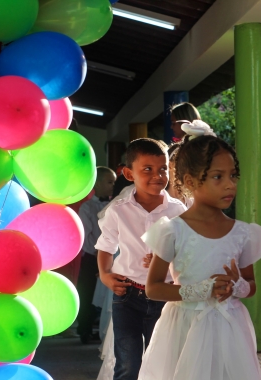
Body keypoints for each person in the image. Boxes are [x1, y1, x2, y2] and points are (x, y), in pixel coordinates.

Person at [137, 121, 261, 380]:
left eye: (233, 175)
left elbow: (251, 284)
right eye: (217, 176)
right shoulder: (172, 230)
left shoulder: (243, 232)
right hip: (184, 327)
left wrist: (237, 286)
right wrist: (201, 290)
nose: (230, 184)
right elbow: (153, 288)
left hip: (229, 328)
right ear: (190, 181)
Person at [95, 138, 187, 380]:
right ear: (128, 173)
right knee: (127, 364)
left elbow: (188, 251)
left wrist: (165, 258)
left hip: (166, 297)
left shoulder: (178, 212)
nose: (157, 175)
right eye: (147, 169)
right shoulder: (119, 210)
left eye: (163, 169)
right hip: (128, 296)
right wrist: (105, 275)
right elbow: (105, 246)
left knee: (163, 363)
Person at [76, 166, 117, 344]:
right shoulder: (87, 207)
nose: (112, 186)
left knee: (103, 293)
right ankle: (84, 329)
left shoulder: (113, 205)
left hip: (109, 254)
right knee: (88, 292)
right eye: (109, 182)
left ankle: (100, 327)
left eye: (114, 182)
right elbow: (85, 234)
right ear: (98, 184)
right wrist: (97, 254)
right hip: (92, 256)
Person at [165, 143, 194, 208]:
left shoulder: (193, 202)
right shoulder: (159, 202)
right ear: (170, 165)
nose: (188, 168)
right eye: (182, 163)